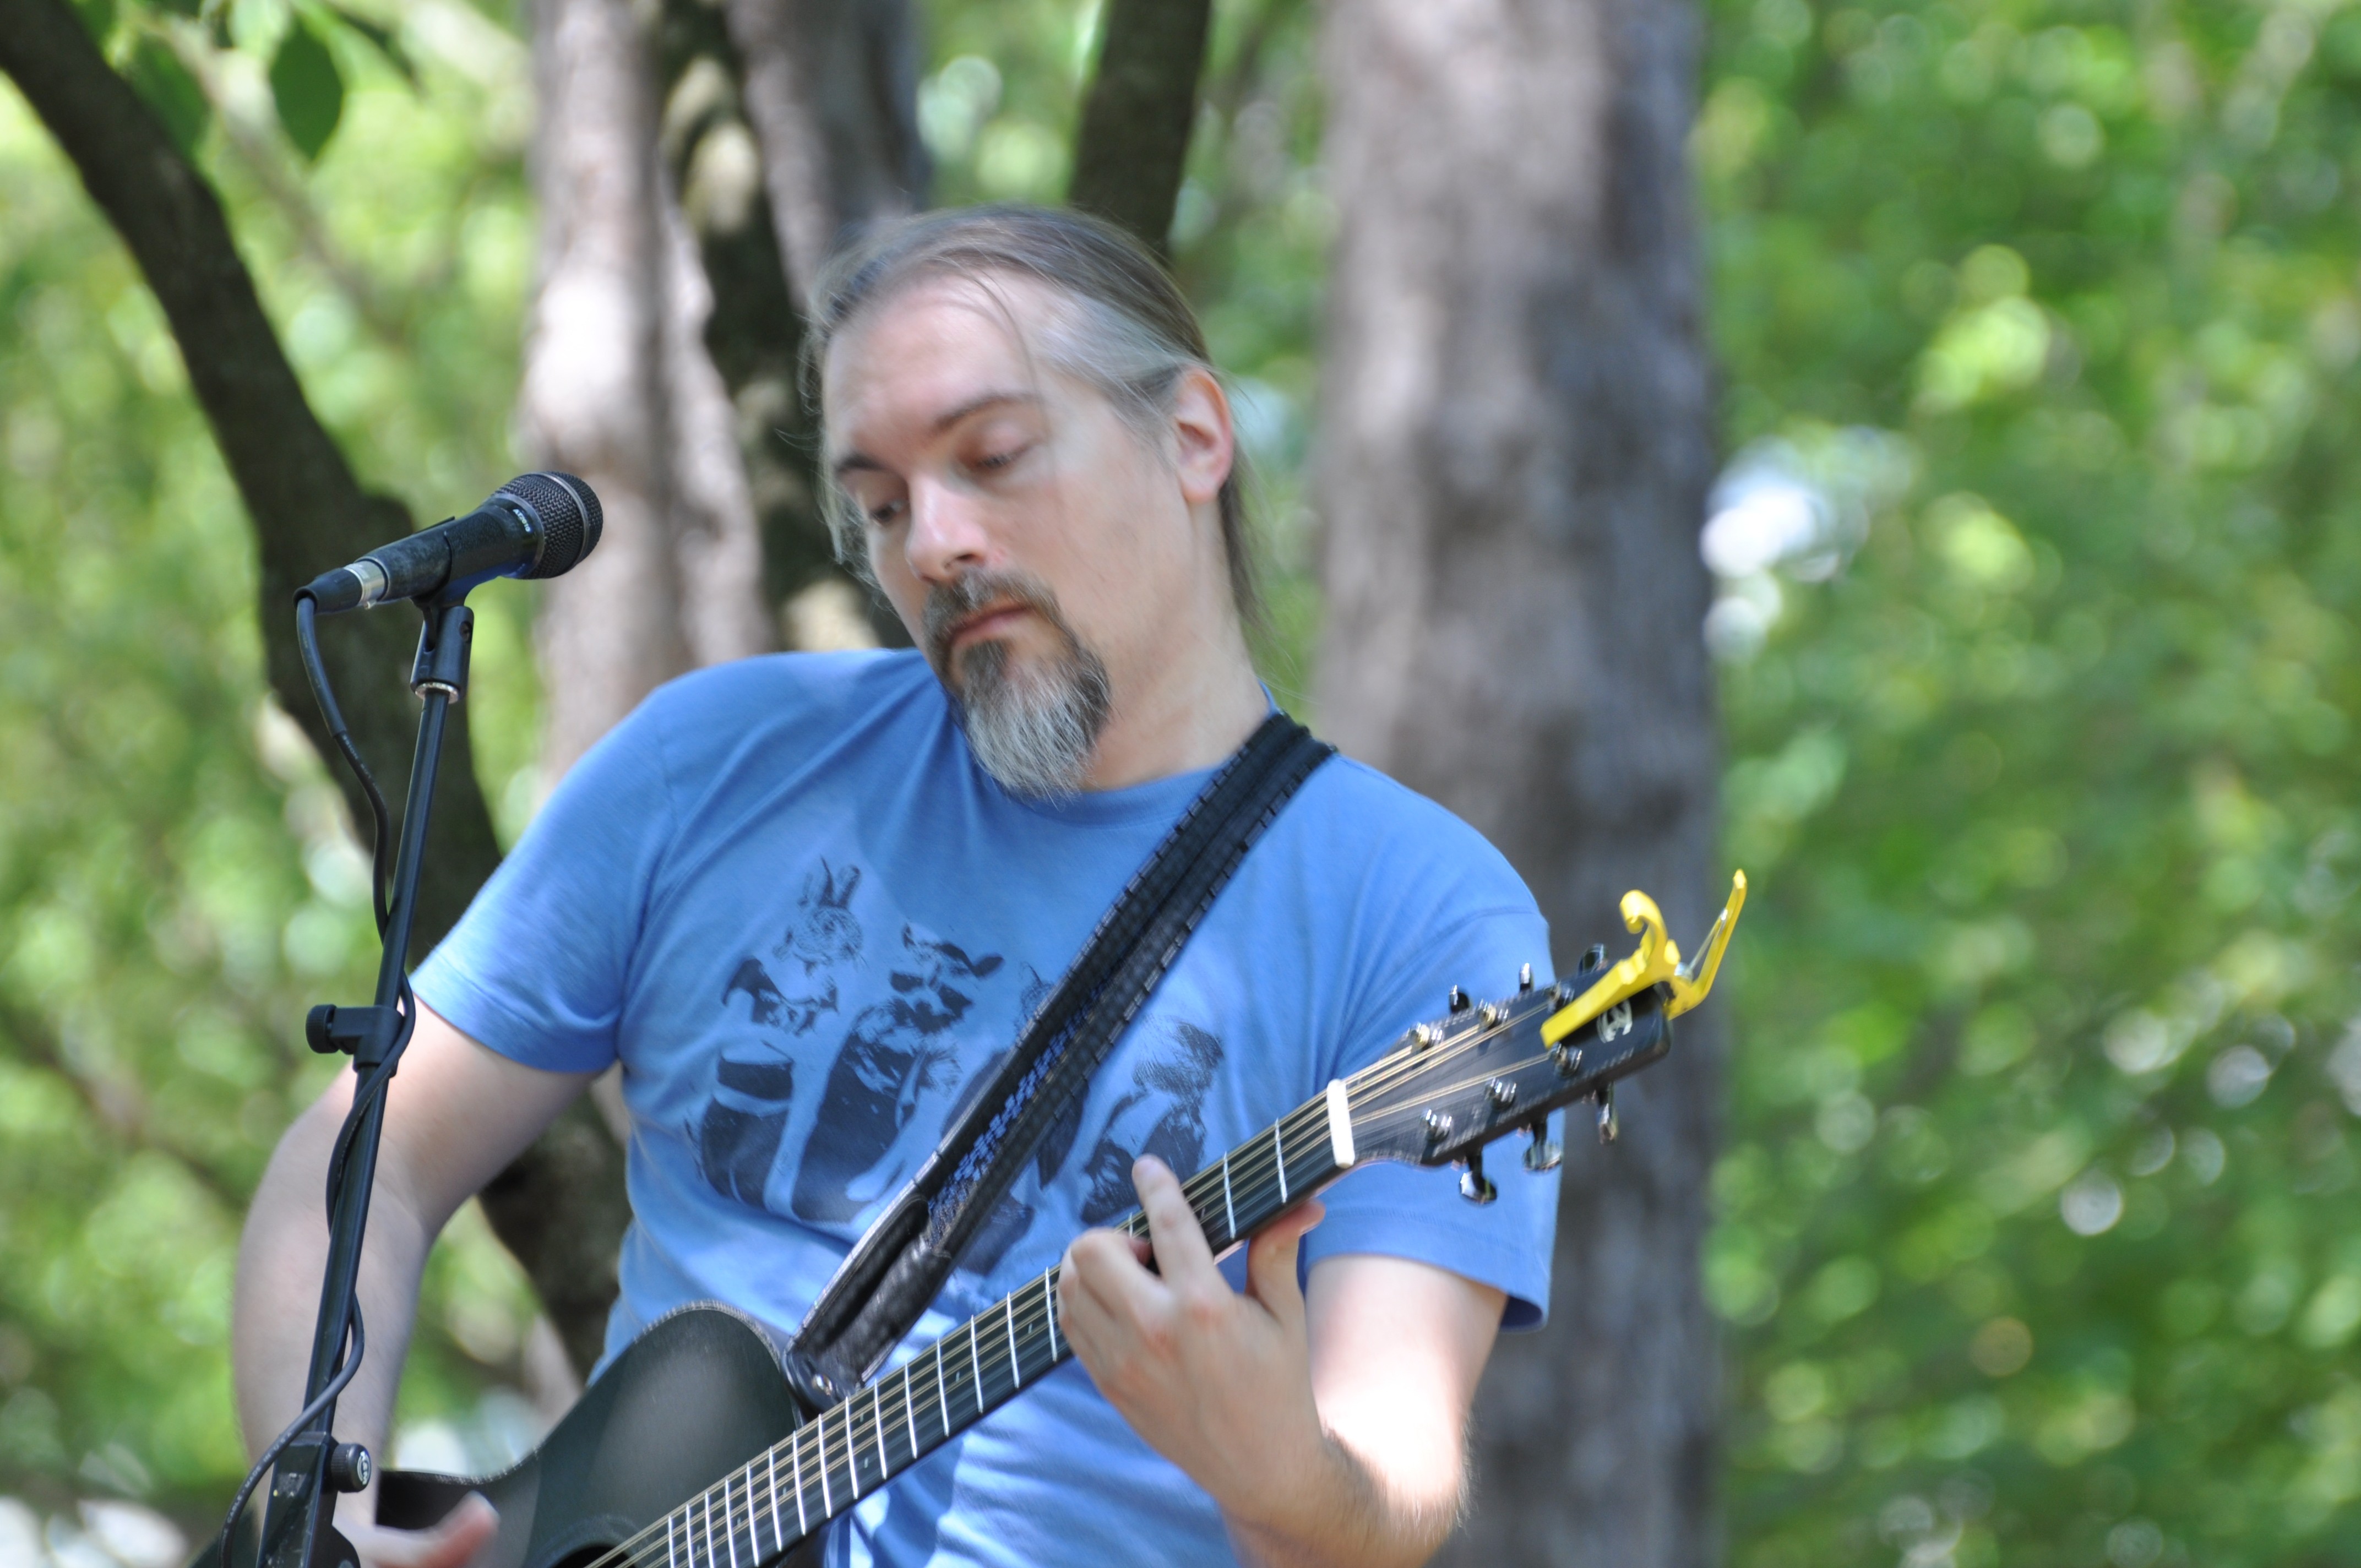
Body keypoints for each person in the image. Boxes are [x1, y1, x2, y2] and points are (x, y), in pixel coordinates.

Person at [233, 205, 1561, 1568]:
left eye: (992, 456)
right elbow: (362, 1162)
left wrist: (1278, 1471)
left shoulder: (1423, 914)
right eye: (877, 504)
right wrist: (314, 1528)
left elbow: (1381, 1503)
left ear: (1192, 436)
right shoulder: (718, 762)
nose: (932, 542)